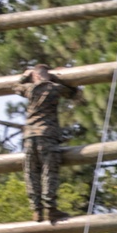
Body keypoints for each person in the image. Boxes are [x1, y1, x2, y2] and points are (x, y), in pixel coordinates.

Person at [13, 64, 79, 223]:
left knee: (31, 172)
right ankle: (50, 208)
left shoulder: (29, 89)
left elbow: (15, 87)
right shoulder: (54, 88)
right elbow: (73, 93)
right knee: (49, 171)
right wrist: (56, 77)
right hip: (47, 135)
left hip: (29, 136)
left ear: (35, 76)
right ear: (47, 75)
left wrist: (25, 76)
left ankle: (36, 210)